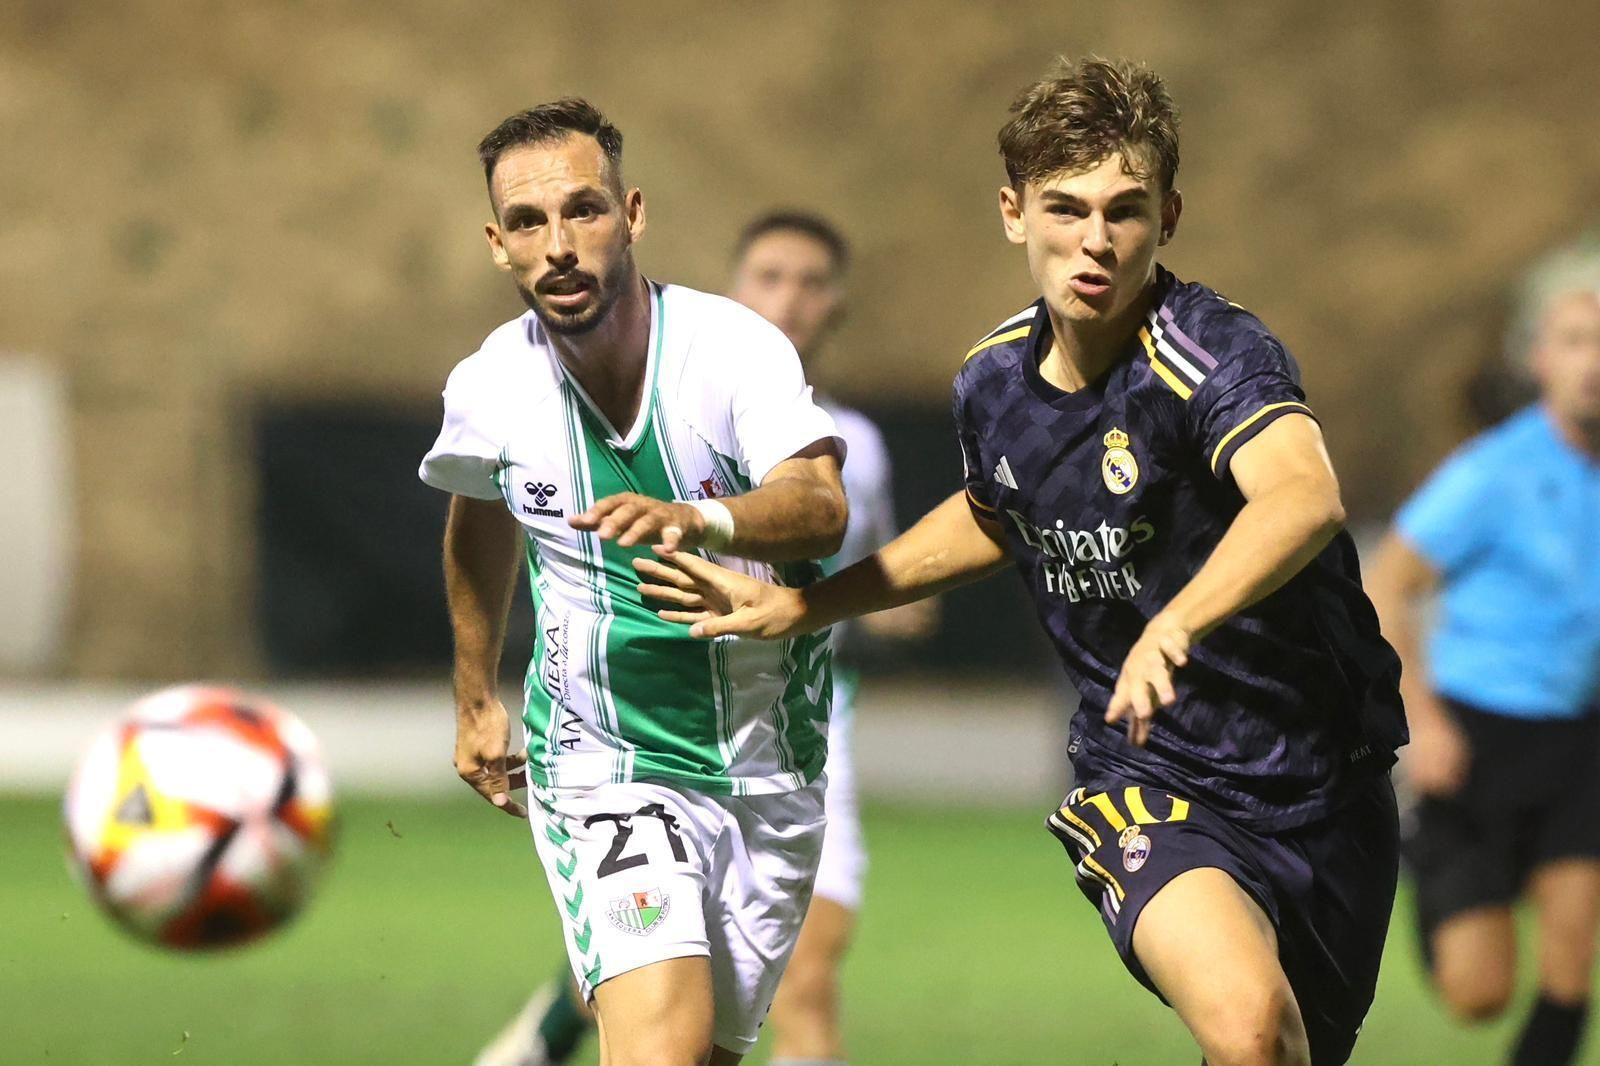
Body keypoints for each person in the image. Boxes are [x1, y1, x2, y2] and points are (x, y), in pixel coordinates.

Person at [631, 58, 1409, 1066]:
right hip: (1147, 774)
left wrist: (1176, 620)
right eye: (1066, 207)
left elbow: (1302, 494)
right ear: (1013, 212)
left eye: (1124, 211)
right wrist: (807, 606)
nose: (1094, 241)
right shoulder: (992, 381)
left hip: (1324, 778)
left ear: (1167, 216)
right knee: (1250, 1028)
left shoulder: (1211, 354)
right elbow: (996, 512)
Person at [418, 98, 849, 1066]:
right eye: (529, 223)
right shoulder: (492, 386)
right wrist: (474, 694)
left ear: (634, 214)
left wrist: (706, 516)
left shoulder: (731, 348)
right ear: (498, 243)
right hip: (606, 763)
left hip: (769, 764)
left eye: (585, 210)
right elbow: (477, 515)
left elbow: (820, 505)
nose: (558, 244)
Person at [477, 211, 935, 1066]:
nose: (789, 299)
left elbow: (849, 563)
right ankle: (560, 1017)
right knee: (685, 984)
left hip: (792, 747)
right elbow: (491, 508)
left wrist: (879, 602)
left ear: (837, 304)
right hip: (637, 744)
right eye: (769, 276)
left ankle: (554, 1021)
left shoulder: (856, 450)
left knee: (747, 992)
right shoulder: (678, 398)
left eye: (810, 281)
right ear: (734, 288)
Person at [1366, 256, 1600, 1066]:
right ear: (1540, 360)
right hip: (1473, 741)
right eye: (1576, 342)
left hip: (1579, 741)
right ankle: (1434, 881)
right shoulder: (1491, 475)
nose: (1594, 362)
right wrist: (1423, 723)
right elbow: (1388, 586)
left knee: (1571, 968)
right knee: (1480, 993)